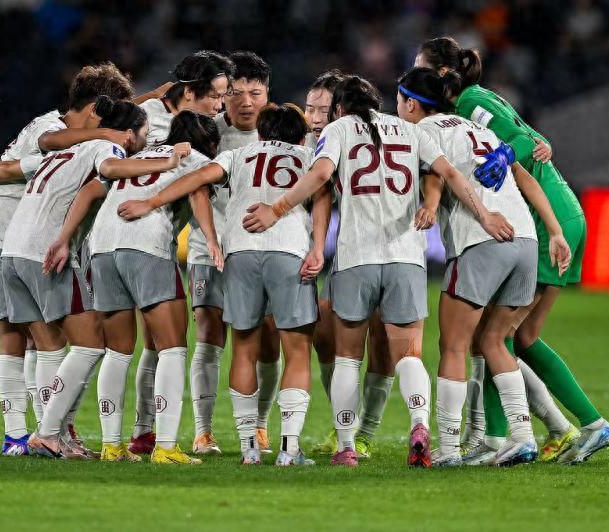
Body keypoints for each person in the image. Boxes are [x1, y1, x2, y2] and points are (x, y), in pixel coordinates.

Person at [239, 75, 513, 468]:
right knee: (409, 353)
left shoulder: (338, 130)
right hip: (406, 256)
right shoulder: (409, 129)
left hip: (356, 257)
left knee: (348, 356)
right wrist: (484, 215)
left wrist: (276, 208)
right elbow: (448, 173)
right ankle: (419, 424)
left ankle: (347, 445)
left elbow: (320, 175)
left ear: (339, 108)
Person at [415, 36, 609, 464]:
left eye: (422, 69)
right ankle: (529, 431)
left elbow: (521, 144)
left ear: (443, 74)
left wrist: (509, 156)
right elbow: (530, 136)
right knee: (514, 336)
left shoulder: (468, 103)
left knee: (498, 335)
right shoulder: (480, 99)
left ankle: (552, 428)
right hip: (554, 214)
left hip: (542, 218)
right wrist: (534, 145)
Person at [0, 97, 180, 458]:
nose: (145, 143)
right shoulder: (107, 148)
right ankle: (48, 432)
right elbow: (108, 170)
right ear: (129, 135)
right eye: (144, 135)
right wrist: (169, 162)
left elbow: (13, 167)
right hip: (44, 252)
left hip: (12, 253)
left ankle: (54, 436)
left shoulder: (64, 152)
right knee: (90, 344)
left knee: (49, 346)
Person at [119, 103, 328, 466]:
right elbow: (323, 193)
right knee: (296, 350)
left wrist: (150, 202)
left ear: (260, 133)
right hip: (289, 250)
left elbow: (197, 179)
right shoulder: (309, 156)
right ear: (300, 137)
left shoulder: (238, 154)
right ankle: (289, 449)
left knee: (243, 347)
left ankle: (249, 449)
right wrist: (319, 248)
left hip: (240, 252)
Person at [396, 66, 572, 466]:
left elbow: (440, 175)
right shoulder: (480, 129)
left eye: (400, 100)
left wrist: (477, 215)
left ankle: (449, 448)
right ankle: (523, 437)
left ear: (411, 103)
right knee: (494, 340)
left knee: (453, 345)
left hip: (483, 239)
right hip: (525, 240)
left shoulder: (422, 131)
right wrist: (555, 231)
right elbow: (525, 177)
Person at [43, 111, 218, 463]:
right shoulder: (194, 158)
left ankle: (112, 446)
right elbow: (199, 192)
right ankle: (165, 447)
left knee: (118, 351)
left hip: (102, 247)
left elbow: (90, 190)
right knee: (172, 348)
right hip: (146, 244)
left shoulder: (138, 156)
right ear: (210, 143)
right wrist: (212, 241)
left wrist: (64, 238)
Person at [128, 50, 235, 456]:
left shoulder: (195, 124)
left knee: (151, 343)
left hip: (154, 240)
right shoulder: (146, 118)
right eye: (216, 95)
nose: (220, 105)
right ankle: (144, 434)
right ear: (190, 92)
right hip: (138, 235)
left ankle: (139, 432)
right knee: (154, 342)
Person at [186, 51, 280, 456]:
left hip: (264, 252)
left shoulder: (281, 133)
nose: (245, 102)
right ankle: (203, 431)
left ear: (267, 94)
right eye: (236, 93)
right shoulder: (206, 132)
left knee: (269, 341)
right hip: (210, 250)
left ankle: (259, 425)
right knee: (209, 335)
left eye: (254, 93)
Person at [304, 69, 395, 459]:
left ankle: (365, 432)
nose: (315, 117)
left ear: (341, 109)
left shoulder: (364, 135)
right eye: (309, 108)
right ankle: (345, 423)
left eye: (323, 109)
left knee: (383, 337)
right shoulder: (305, 142)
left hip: (388, 249)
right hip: (345, 253)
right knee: (325, 334)